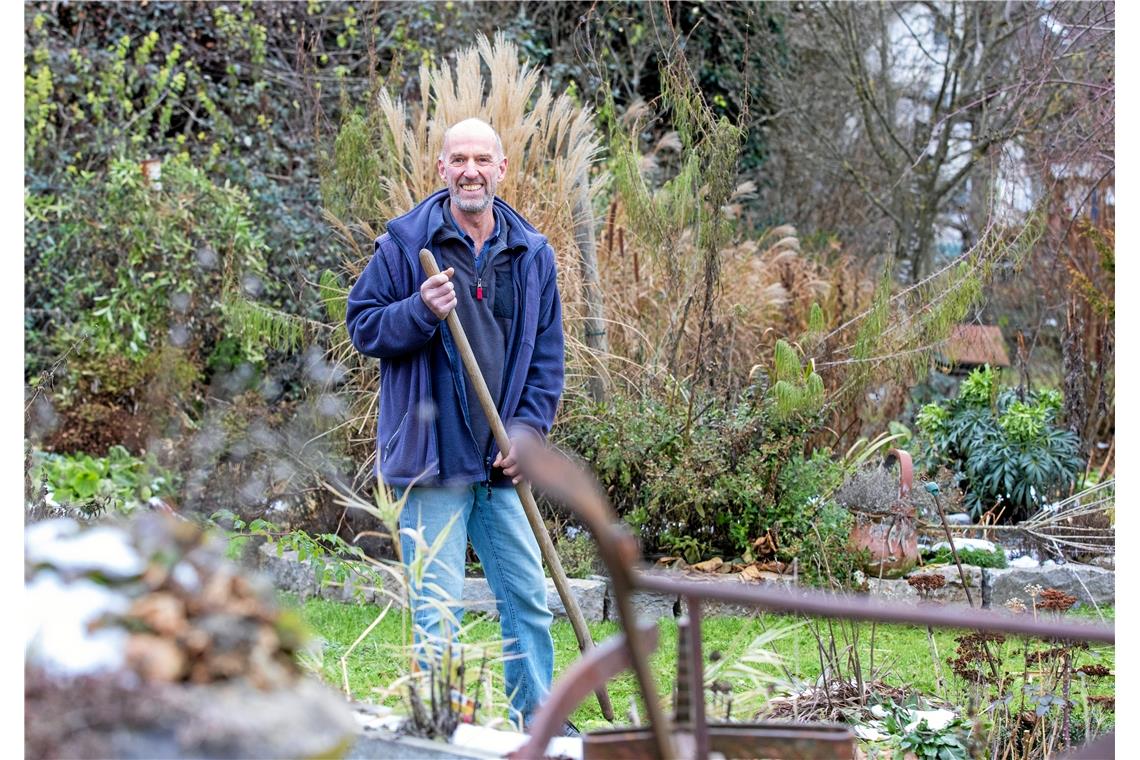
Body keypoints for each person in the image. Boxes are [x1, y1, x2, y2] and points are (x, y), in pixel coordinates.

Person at [345, 118, 565, 730]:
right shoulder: (404, 245)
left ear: (501, 168)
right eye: (458, 159)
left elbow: (547, 359)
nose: (471, 170)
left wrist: (528, 434)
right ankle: (438, 728)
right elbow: (362, 325)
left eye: (482, 159)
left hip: (499, 462)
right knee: (437, 606)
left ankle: (538, 723)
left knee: (527, 598)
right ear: (441, 170)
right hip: (432, 457)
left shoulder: (530, 253)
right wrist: (420, 309)